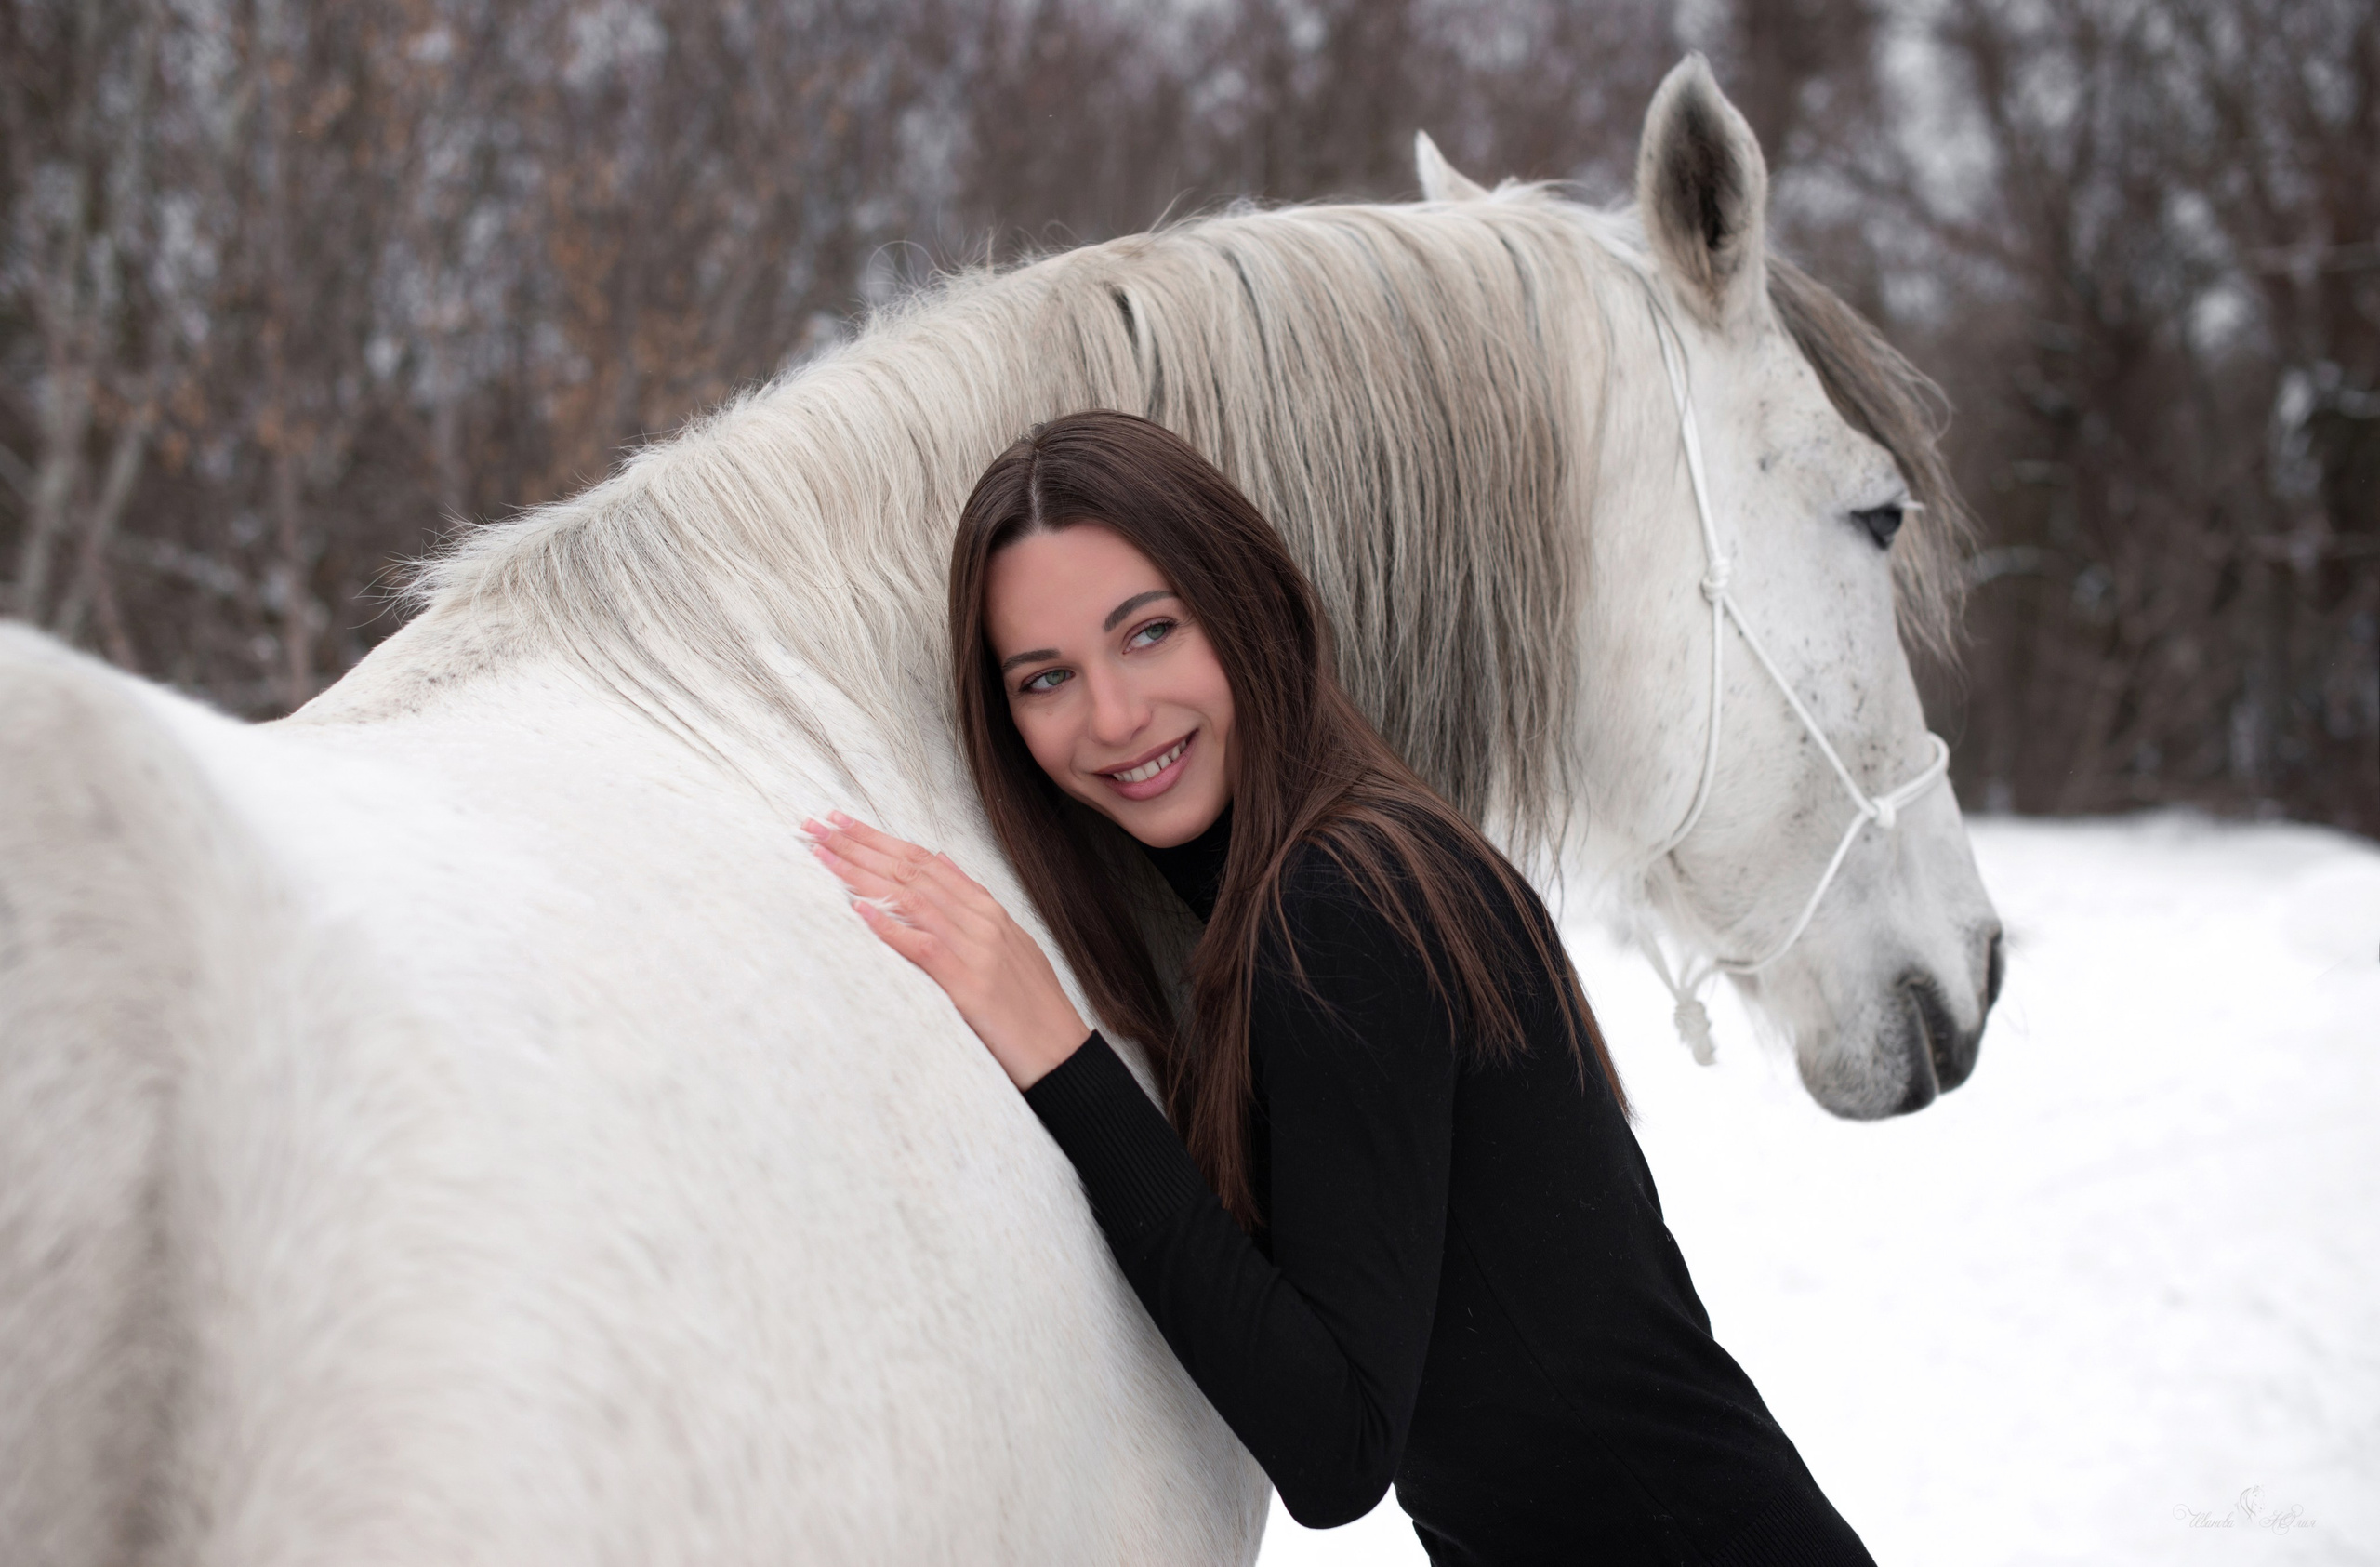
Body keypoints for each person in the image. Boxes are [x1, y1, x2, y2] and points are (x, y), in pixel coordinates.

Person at [803, 410, 1876, 1566]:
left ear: (1244, 601)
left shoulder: (1346, 903)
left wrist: (1055, 1048)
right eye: (1047, 676)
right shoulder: (1346, 868)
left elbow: (1334, 1450)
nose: (1112, 716)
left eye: (1150, 632)